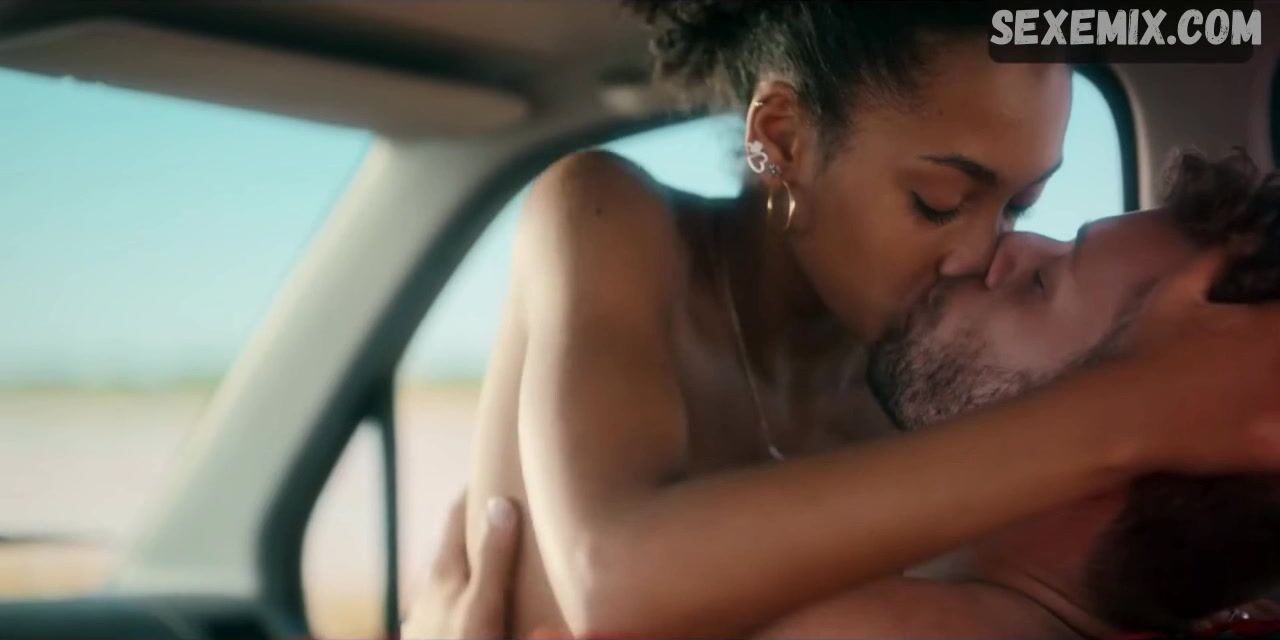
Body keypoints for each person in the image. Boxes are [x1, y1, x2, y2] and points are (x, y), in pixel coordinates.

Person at [461, 1, 1280, 637]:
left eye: (1018, 205)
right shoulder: (613, 221)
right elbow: (613, 581)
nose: (983, 252)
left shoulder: (932, 384)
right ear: (782, 138)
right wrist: (1141, 409)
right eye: (939, 202)